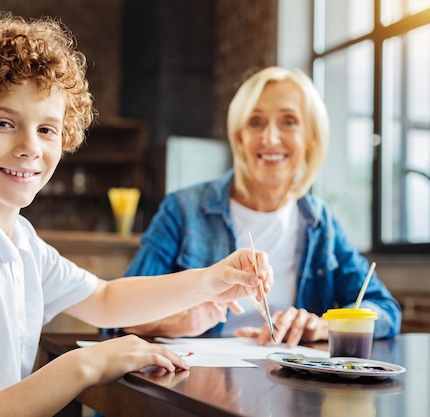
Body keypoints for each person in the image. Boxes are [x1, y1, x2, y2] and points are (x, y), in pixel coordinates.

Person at [0, 13, 274, 417]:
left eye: (47, 129)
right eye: (4, 122)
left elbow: (104, 299)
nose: (30, 147)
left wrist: (211, 280)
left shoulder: (16, 240)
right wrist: (86, 364)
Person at [121, 66, 401, 346]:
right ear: (240, 138)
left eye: (289, 121)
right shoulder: (183, 210)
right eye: (256, 122)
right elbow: (123, 311)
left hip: (293, 384)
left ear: (310, 138)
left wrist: (322, 325)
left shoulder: (320, 222)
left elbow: (385, 309)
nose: (270, 138)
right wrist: (179, 321)